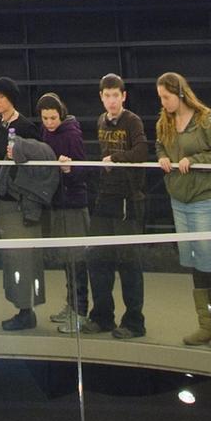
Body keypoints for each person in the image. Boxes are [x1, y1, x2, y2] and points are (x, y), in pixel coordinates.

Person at [156, 71, 211, 349]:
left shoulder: (203, 121)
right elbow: (159, 145)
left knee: (209, 261)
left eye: (166, 97)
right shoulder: (164, 122)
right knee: (193, 262)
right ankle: (205, 325)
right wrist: (163, 157)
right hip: (179, 201)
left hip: (203, 200)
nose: (163, 103)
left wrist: (195, 159)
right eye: (161, 98)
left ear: (179, 94)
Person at [86, 74, 148, 339]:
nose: (111, 100)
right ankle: (102, 316)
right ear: (101, 97)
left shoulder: (132, 121)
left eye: (115, 95)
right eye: (106, 95)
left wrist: (117, 158)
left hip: (127, 201)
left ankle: (134, 321)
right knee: (98, 259)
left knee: (128, 262)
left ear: (123, 96)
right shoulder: (100, 121)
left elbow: (142, 151)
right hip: (105, 198)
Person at [0, 114, 59, 330]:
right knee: (17, 262)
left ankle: (26, 312)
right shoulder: (29, 160)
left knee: (23, 263)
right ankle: (24, 309)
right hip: (13, 210)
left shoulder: (33, 160)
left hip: (21, 212)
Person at [36, 93, 91, 330]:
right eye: (45, 118)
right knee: (65, 259)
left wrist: (70, 169)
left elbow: (84, 170)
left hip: (74, 204)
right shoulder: (47, 133)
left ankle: (80, 311)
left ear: (61, 114)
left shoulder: (72, 135)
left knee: (76, 259)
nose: (49, 122)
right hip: (57, 203)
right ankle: (71, 305)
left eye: (53, 117)